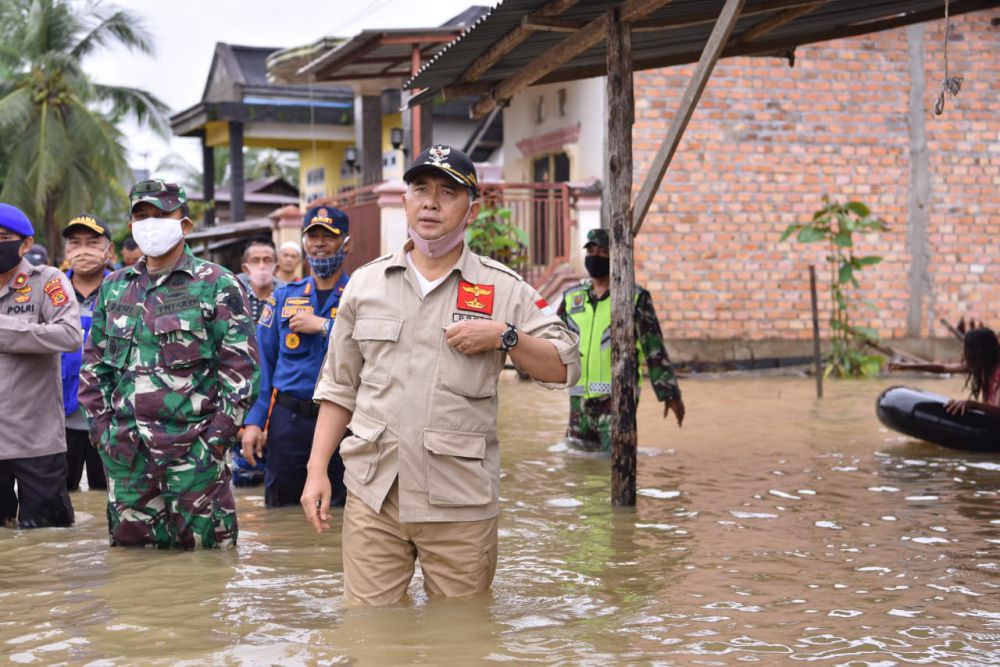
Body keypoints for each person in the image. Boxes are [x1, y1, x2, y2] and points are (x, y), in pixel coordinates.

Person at [301, 145, 580, 605]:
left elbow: (565, 364)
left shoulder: (501, 288)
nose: (431, 202)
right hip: (375, 495)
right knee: (371, 633)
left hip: (460, 502)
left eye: (447, 192)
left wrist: (505, 337)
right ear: (407, 200)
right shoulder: (366, 286)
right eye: (421, 189)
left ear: (472, 208)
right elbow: (338, 387)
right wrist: (316, 472)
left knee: (462, 635)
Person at [79, 179, 260, 549]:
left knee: (207, 572)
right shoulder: (114, 287)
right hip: (127, 459)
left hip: (195, 460)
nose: (150, 224)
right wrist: (104, 435)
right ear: (131, 226)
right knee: (132, 577)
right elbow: (94, 369)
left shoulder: (217, 284)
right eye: (141, 216)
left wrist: (213, 445)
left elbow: (239, 373)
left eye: (161, 215)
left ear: (185, 224)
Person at [241, 207, 350, 507]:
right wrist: (254, 422)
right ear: (304, 243)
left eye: (329, 237)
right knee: (281, 511)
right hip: (288, 422)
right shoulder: (283, 297)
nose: (319, 243)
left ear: (346, 243)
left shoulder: (360, 294)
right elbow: (264, 366)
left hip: (346, 421)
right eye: (313, 236)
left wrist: (325, 325)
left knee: (341, 510)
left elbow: (374, 344)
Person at [558, 229, 685, 453]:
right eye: (591, 250)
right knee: (579, 466)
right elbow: (552, 339)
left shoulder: (633, 297)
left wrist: (670, 394)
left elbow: (653, 348)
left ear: (615, 256)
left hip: (617, 400)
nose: (595, 256)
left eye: (602, 251)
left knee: (615, 460)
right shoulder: (571, 297)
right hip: (579, 402)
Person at [0, 203, 81, 528]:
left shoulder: (48, 280)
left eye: (3, 237)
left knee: (47, 537)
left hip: (36, 438)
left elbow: (70, 335)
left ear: (26, 244)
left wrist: (4, 330)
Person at [61, 214, 113, 492]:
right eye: (75, 243)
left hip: (110, 416)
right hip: (59, 416)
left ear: (109, 250)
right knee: (59, 495)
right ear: (66, 251)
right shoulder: (52, 290)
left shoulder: (123, 289)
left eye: (92, 243)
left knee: (107, 494)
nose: (83, 251)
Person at [888, 327, 1000, 416]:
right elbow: (943, 368)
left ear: (979, 351)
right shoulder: (983, 365)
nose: (962, 349)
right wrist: (909, 366)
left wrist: (971, 404)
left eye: (966, 346)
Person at [236, 236, 285, 324]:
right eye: (255, 260)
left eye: (267, 260)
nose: (261, 266)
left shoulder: (286, 298)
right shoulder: (236, 298)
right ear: (245, 269)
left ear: (276, 268)